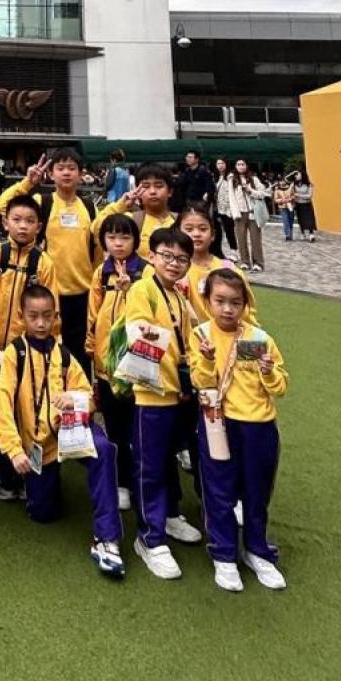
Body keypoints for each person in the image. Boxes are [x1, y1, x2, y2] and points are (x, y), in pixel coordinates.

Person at [0, 282, 125, 579]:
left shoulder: (63, 355)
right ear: (22, 316)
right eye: (34, 316)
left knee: (103, 449)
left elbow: (90, 399)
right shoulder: (15, 354)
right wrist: (14, 450)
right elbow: (1, 408)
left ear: (56, 317)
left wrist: (74, 399)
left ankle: (106, 538)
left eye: (47, 316)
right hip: (39, 446)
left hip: (71, 434)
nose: (41, 323)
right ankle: (43, 484)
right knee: (43, 513)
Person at [190, 267, 289, 591]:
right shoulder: (201, 335)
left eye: (235, 302)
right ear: (208, 300)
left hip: (259, 426)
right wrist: (207, 359)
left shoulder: (259, 339)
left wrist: (268, 371)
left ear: (246, 304)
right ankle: (224, 554)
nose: (227, 309)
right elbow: (201, 381)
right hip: (218, 423)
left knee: (256, 492)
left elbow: (280, 387)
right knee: (219, 490)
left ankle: (257, 551)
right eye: (220, 301)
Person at [124, 226, 204, 580]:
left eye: (182, 259)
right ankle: (149, 537)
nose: (174, 263)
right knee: (150, 464)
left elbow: (188, 342)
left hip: (177, 393)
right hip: (151, 392)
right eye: (167, 256)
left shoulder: (177, 296)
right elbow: (140, 334)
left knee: (168, 459)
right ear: (152, 256)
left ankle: (169, 515)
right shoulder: (143, 289)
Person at [0, 192, 57, 499]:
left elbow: (51, 309)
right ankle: (4, 477)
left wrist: (48, 347)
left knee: (28, 410)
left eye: (30, 221)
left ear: (39, 226)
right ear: (5, 222)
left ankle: (27, 475)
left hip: (28, 351)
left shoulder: (44, 263)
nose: (23, 226)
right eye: (17, 220)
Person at [0, 148, 96, 374]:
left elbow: (96, 249)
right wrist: (28, 183)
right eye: (60, 168)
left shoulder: (89, 207)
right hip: (47, 294)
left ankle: (79, 395)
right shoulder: (43, 202)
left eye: (72, 168)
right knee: (47, 354)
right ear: (51, 174)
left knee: (80, 357)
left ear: (81, 174)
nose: (66, 173)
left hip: (82, 295)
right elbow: (2, 207)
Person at [86, 211, 146, 513]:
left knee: (139, 428)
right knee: (115, 427)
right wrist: (91, 346)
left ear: (135, 240)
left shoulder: (145, 272)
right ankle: (122, 481)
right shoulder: (101, 272)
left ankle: (141, 481)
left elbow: (149, 313)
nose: (118, 243)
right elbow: (93, 312)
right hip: (106, 365)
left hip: (136, 365)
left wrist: (129, 289)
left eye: (125, 236)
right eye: (111, 237)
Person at [118, 162, 176, 259]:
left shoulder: (181, 222)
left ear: (170, 191)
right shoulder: (130, 221)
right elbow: (96, 229)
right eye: (146, 186)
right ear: (138, 191)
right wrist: (121, 205)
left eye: (159, 186)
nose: (152, 191)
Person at [219, 160, 265, 273]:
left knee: (255, 238)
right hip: (239, 213)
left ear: (247, 166)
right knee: (241, 238)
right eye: (238, 164)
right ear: (235, 166)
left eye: (243, 164)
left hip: (253, 212)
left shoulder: (253, 179)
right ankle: (245, 261)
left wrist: (250, 190)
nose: (240, 166)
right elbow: (231, 197)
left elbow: (262, 193)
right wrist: (234, 213)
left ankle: (258, 262)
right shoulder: (232, 180)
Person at [171, 149, 214, 214]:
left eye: (190, 157)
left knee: (200, 217)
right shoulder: (187, 171)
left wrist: (207, 194)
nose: (188, 159)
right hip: (189, 201)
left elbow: (210, 185)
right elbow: (181, 183)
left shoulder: (203, 171)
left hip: (200, 201)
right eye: (187, 157)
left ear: (197, 159)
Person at [213, 158, 237, 259]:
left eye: (222, 163)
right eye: (218, 163)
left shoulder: (231, 176)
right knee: (218, 232)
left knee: (229, 231)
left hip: (228, 208)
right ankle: (218, 252)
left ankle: (234, 252)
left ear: (226, 164)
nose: (220, 165)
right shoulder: (216, 177)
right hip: (218, 207)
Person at [292, 170, 317, 242]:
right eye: (296, 175)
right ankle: (302, 232)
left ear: (302, 175)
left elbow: (309, 196)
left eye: (298, 174)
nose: (296, 176)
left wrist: (298, 195)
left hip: (307, 204)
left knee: (309, 219)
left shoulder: (309, 185)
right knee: (300, 219)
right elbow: (291, 193)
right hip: (298, 204)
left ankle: (311, 234)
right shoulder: (294, 184)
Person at [273, 178, 295, 242]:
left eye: (283, 180)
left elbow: (294, 195)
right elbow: (275, 199)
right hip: (282, 207)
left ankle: (291, 234)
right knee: (285, 221)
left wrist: (290, 198)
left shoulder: (290, 188)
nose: (282, 182)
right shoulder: (277, 190)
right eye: (280, 181)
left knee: (291, 221)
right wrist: (282, 200)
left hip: (290, 206)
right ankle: (287, 235)